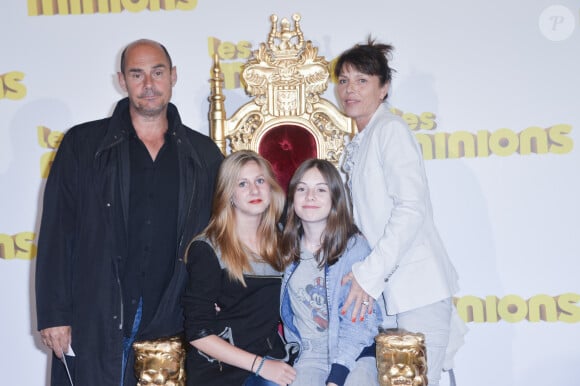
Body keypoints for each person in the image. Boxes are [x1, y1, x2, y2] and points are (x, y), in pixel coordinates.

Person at [35, 39, 223, 386]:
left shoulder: (204, 154)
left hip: (170, 316)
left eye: (157, 72)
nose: (148, 84)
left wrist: (219, 301)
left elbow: (222, 235)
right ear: (121, 81)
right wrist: (53, 315)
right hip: (95, 311)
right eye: (137, 74)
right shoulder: (83, 145)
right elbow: (56, 234)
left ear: (173, 76)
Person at [334, 38, 462, 386]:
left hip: (417, 290)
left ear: (384, 88)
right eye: (344, 80)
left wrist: (367, 274)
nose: (350, 90)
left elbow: (410, 209)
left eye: (362, 80)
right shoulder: (364, 139)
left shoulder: (390, 130)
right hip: (390, 294)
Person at [182, 150, 297, 386]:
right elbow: (197, 333)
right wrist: (261, 366)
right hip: (222, 369)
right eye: (242, 184)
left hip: (273, 356)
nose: (254, 190)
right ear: (229, 194)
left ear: (271, 188)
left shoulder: (285, 242)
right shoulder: (207, 249)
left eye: (260, 181)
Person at [279, 159, 388, 386]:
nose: (310, 196)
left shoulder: (354, 249)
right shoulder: (284, 249)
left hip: (355, 352)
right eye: (302, 189)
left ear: (335, 199)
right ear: (292, 198)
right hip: (310, 356)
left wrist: (335, 379)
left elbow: (359, 324)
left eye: (321, 189)